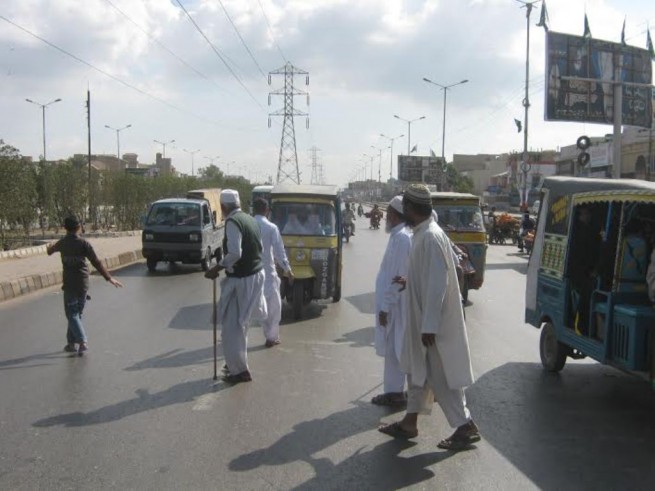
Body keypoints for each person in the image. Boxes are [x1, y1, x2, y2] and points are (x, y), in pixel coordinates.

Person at [378, 183, 480, 451]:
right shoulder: (423, 235)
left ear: (412, 209)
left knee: (440, 377)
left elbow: (437, 284)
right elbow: (426, 277)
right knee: (417, 372)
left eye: (406, 209)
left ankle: (464, 425)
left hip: (431, 325)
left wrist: (430, 326)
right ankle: (409, 423)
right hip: (423, 321)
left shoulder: (430, 237)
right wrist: (409, 280)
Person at [204, 190, 266, 384]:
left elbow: (235, 252)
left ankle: (239, 371)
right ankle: (237, 365)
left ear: (223, 207)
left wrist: (217, 267)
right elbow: (260, 248)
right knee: (240, 325)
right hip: (254, 276)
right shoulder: (249, 219)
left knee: (231, 328)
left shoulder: (232, 222)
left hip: (243, 279)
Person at [47, 215, 123, 354]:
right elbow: (96, 262)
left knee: (72, 314)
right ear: (78, 227)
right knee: (76, 314)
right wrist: (109, 278)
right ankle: (71, 344)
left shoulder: (62, 243)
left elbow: (49, 251)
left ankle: (82, 341)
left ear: (65, 228)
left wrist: (49, 247)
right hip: (83, 284)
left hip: (70, 285)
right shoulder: (84, 244)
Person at [372, 195, 412, 407]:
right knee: (392, 350)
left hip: (396, 306)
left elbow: (398, 277)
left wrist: (386, 307)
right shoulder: (397, 236)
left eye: (389, 214)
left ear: (395, 216)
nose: (386, 218)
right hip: (392, 304)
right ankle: (393, 391)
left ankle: (396, 393)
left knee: (396, 349)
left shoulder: (403, 238)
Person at [253, 198, 294, 347]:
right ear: (267, 210)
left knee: (260, 306)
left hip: (251, 274)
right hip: (268, 274)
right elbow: (279, 252)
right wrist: (288, 270)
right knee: (274, 307)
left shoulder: (247, 225)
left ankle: (268, 335)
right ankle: (271, 337)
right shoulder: (271, 228)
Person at [568, 205, 601, 335]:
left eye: (588, 214)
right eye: (584, 214)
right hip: (579, 272)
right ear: (580, 216)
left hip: (588, 270)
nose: (587, 217)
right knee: (584, 297)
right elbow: (579, 255)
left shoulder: (591, 230)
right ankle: (581, 327)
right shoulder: (578, 231)